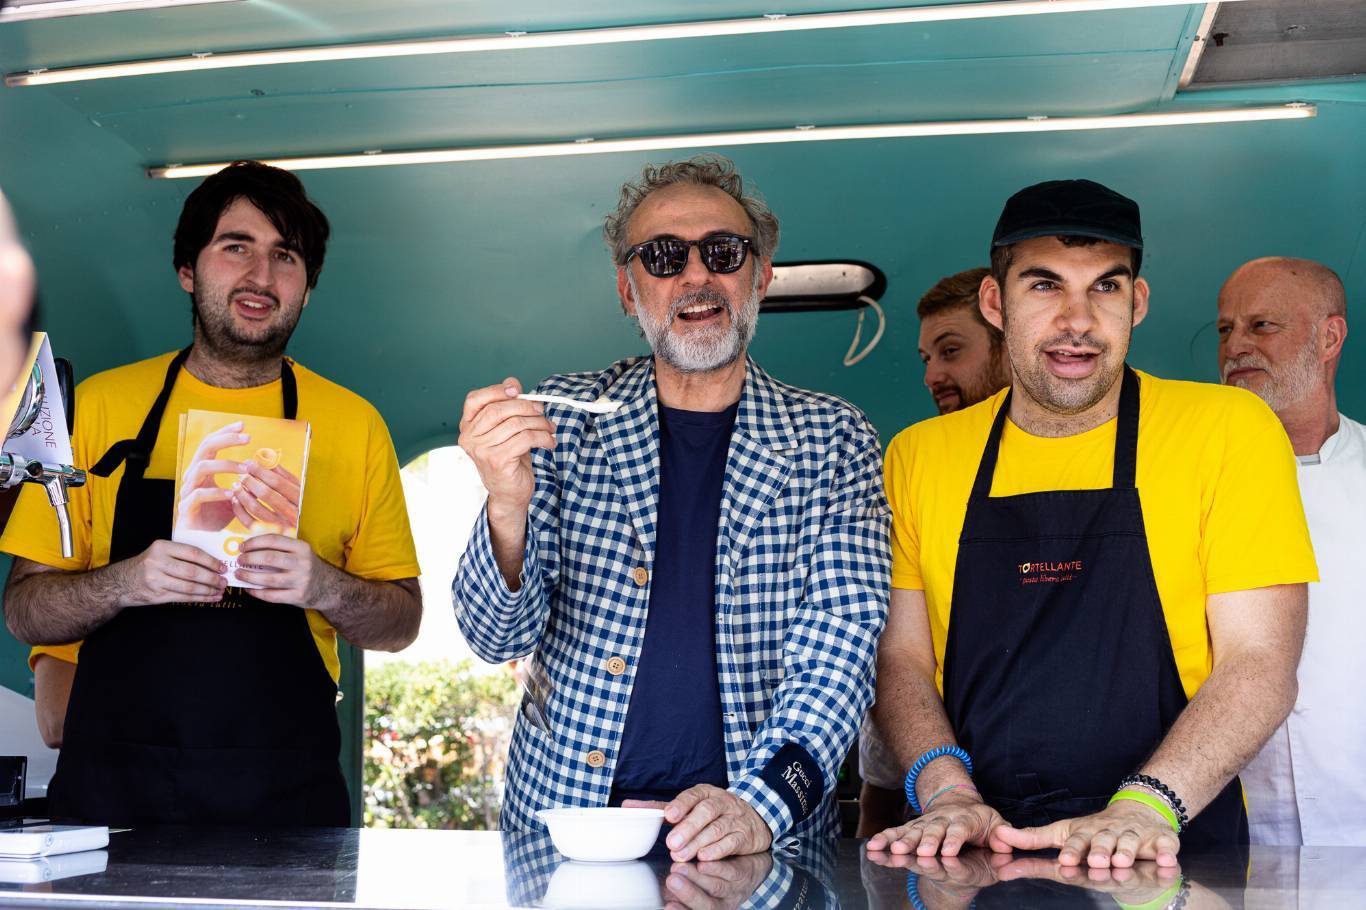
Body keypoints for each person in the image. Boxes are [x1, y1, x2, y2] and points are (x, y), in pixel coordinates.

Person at [868, 179, 1317, 868]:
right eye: (1044, 287)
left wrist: (1145, 805)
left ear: (1136, 302)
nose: (1077, 320)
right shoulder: (920, 456)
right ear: (996, 302)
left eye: (1105, 289)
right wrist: (944, 790)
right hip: (973, 855)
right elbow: (901, 660)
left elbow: (1260, 661)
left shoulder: (1229, 431)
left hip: (1168, 848)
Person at [454, 154, 889, 862]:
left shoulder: (833, 440)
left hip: (754, 841)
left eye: (723, 252)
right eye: (662, 257)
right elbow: (494, 639)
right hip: (570, 827)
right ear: (630, 291)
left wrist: (758, 806)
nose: (695, 275)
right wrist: (506, 506)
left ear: (761, 277)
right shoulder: (567, 421)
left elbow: (836, 658)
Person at [1, 161, 422, 826]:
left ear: (307, 287)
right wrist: (126, 583)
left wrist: (323, 586)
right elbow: (24, 609)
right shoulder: (101, 407)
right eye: (236, 247)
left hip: (287, 800)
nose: (261, 277)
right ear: (188, 270)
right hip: (114, 794)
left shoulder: (354, 425)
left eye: (286, 256)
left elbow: (401, 623)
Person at [1217, 256, 1365, 846]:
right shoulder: (1182, 480)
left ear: (1330, 337)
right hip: (1224, 840)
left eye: (1262, 326)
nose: (1236, 346)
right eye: (1226, 329)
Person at [857, 266, 1009, 836]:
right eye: (927, 359)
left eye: (950, 351)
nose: (933, 376)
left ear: (1007, 335)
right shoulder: (914, 463)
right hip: (942, 814)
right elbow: (896, 660)